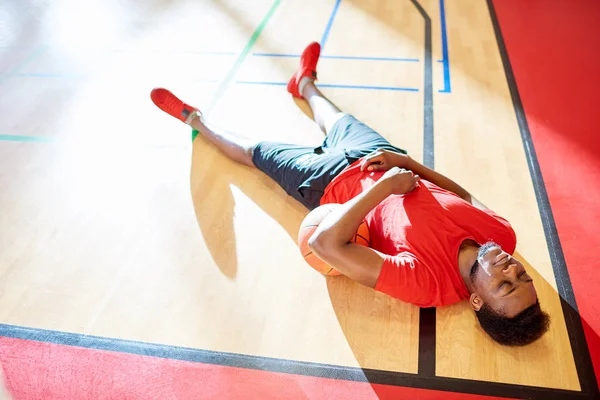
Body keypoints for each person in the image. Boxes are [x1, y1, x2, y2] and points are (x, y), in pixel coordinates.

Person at [150, 42, 550, 346]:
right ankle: (305, 84)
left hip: (329, 182)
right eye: (522, 276)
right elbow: (462, 193)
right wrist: (406, 164)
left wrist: (386, 188)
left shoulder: (428, 285)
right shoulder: (503, 236)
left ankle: (196, 120)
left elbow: (326, 243)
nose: (510, 269)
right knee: (334, 117)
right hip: (381, 158)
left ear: (477, 302)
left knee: (254, 152)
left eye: (504, 285)